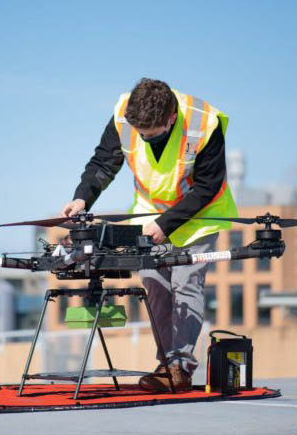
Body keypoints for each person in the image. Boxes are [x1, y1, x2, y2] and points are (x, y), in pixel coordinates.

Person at [60, 78, 238, 391]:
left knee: (186, 283)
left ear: (170, 119)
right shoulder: (125, 114)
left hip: (200, 215)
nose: (143, 138)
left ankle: (180, 367)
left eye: (150, 135)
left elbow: (208, 186)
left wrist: (167, 224)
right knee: (155, 285)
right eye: (140, 133)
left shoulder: (204, 123)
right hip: (150, 213)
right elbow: (104, 162)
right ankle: (165, 364)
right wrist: (82, 198)